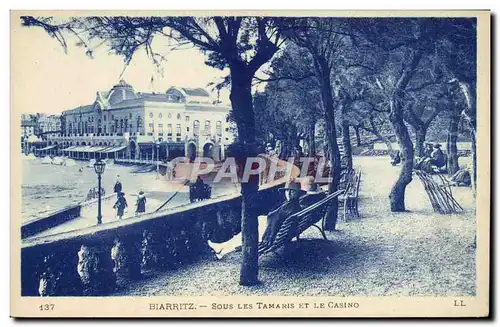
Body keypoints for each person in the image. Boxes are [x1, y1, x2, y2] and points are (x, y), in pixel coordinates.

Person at [207, 180, 305, 260]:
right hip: (275, 229)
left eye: (291, 191)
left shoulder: (288, 207)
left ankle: (221, 248)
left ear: (295, 193)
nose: (289, 193)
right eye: (288, 191)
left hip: (270, 232)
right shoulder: (296, 206)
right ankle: (222, 248)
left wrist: (268, 238)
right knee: (244, 234)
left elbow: (274, 221)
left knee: (246, 235)